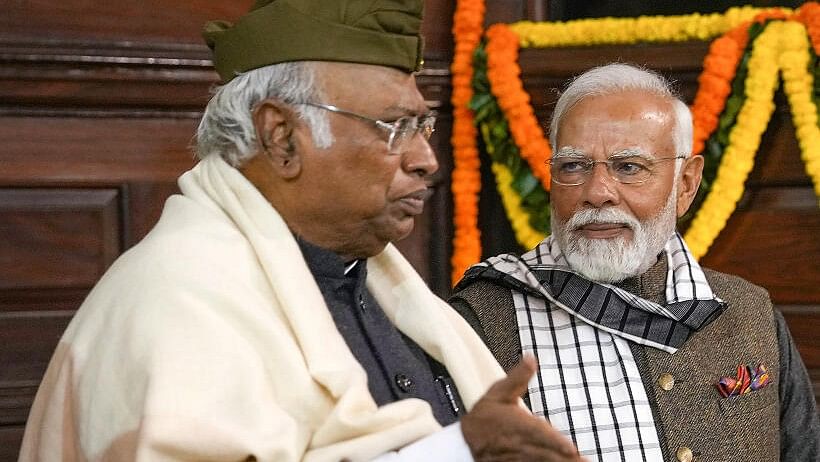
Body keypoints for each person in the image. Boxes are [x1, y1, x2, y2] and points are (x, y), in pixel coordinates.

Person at [18, 1, 587, 461]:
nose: (426, 159)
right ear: (282, 138)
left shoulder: (381, 286)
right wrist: (458, 450)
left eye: (424, 125)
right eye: (395, 127)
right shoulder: (175, 300)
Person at [450, 63, 820, 462]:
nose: (597, 193)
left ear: (686, 184)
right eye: (573, 166)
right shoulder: (482, 320)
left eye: (629, 167)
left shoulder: (748, 313)